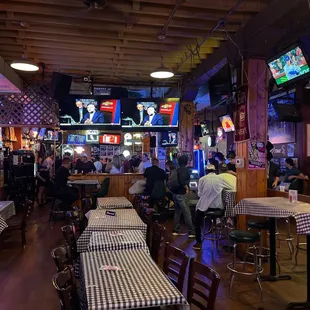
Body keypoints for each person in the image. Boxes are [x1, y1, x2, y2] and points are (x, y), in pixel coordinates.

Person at [193, 163, 236, 250]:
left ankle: (198, 242)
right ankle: (223, 235)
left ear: (206, 171)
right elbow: (232, 188)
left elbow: (200, 194)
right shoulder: (220, 178)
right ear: (215, 171)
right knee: (219, 215)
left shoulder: (202, 179)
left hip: (204, 208)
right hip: (218, 208)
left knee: (197, 221)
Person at [169, 155, 195, 237]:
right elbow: (183, 181)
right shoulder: (185, 170)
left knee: (177, 212)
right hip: (181, 194)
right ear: (186, 161)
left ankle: (175, 230)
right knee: (186, 212)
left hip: (175, 193)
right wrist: (187, 188)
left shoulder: (177, 169)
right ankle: (191, 231)